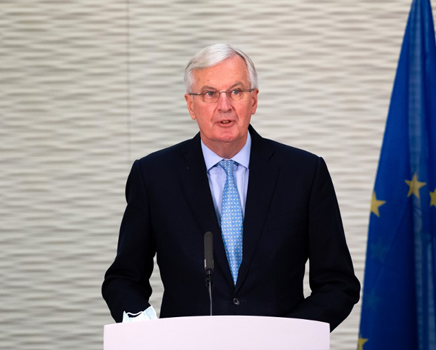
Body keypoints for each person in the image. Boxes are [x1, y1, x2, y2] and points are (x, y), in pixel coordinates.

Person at [102, 43, 360, 331]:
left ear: (254, 100)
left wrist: (289, 335)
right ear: (190, 105)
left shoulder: (303, 173)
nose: (224, 105)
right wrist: (146, 327)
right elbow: (124, 279)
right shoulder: (154, 176)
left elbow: (338, 284)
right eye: (210, 93)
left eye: (236, 91)